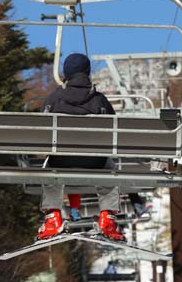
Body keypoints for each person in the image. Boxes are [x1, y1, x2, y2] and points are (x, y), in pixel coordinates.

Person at [36, 53, 125, 242]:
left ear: (66, 73)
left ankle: (53, 217)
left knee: (48, 165)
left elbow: (41, 131)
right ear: (87, 73)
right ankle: (107, 217)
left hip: (60, 162)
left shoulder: (53, 99)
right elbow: (115, 130)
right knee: (110, 167)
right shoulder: (100, 101)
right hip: (95, 163)